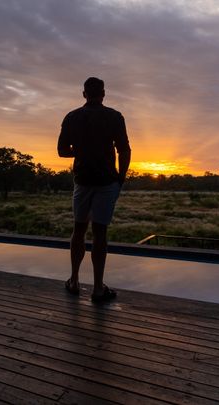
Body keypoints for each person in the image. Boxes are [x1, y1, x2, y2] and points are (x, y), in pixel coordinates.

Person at [57, 77, 131, 302]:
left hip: (82, 181)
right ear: (104, 94)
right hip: (107, 182)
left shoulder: (72, 117)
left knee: (78, 230)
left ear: (84, 94)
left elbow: (61, 151)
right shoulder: (114, 117)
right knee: (100, 233)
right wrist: (120, 179)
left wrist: (81, 151)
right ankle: (98, 288)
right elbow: (124, 151)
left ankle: (74, 281)